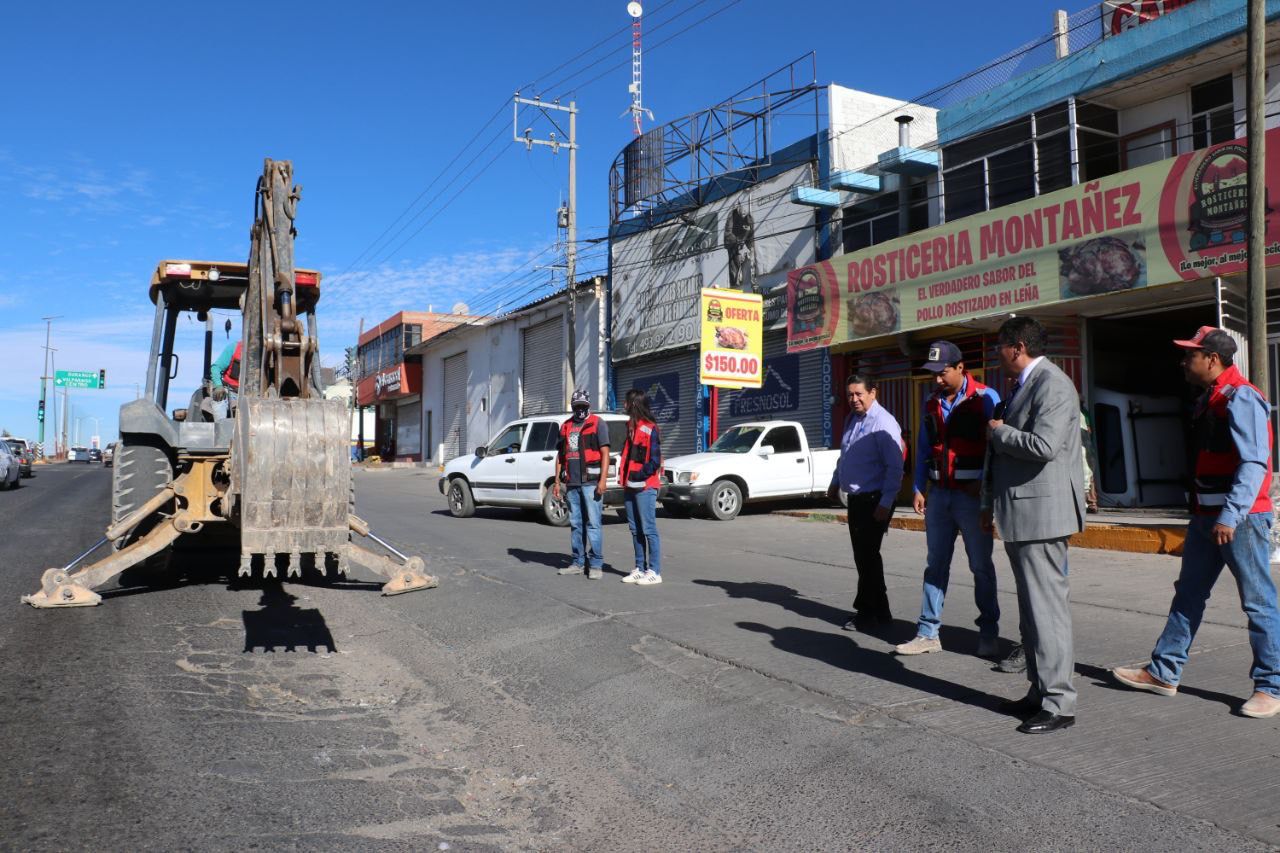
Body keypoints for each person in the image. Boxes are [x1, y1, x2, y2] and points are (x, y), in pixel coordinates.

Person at [1111, 327, 1280, 719]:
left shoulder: (1242, 397)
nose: (1184, 362)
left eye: (1191, 355)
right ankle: (1164, 671)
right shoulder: (1210, 398)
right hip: (1207, 518)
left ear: (1213, 359)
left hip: (1239, 521)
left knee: (1258, 603)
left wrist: (1229, 516)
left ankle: (1271, 687)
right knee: (1188, 595)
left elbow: (1254, 463)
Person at [983, 316, 1084, 735]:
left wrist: (1000, 432)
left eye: (1000, 347)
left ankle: (1059, 702)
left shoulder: (1052, 384)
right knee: (1031, 613)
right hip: (1023, 514)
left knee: (1047, 612)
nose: (997, 354)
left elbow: (1043, 445)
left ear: (1018, 347)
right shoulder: (1025, 384)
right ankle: (1039, 691)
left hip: (1043, 515)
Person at [896, 341, 1002, 658]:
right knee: (936, 566)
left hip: (972, 500)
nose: (938, 380)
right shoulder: (931, 402)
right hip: (939, 496)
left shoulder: (986, 398)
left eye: (943, 373)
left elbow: (997, 450)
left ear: (960, 368)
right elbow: (924, 448)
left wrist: (985, 489)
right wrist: (918, 486)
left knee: (981, 567)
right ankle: (928, 633)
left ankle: (989, 632)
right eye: (934, 374)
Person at [827, 373, 905, 633]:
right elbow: (845, 455)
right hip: (857, 500)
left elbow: (895, 467)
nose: (854, 399)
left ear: (873, 392)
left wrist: (886, 502)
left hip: (875, 499)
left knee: (866, 556)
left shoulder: (883, 423)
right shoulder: (852, 419)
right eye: (850, 394)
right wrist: (836, 481)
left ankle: (865, 612)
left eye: (859, 394)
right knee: (866, 556)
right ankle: (881, 611)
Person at [552, 390, 610, 580]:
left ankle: (596, 564)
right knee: (576, 524)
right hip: (572, 483)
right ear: (572, 406)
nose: (580, 409)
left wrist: (603, 480)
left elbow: (605, 453)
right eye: (577, 406)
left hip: (591, 482)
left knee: (593, 524)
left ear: (588, 405)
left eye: (583, 406)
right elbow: (560, 456)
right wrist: (557, 481)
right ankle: (577, 562)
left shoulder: (598, 423)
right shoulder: (566, 426)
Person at [620, 388, 663, 586]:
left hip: (645, 486)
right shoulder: (630, 426)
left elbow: (654, 461)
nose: (624, 405)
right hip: (630, 485)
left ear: (634, 404)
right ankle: (640, 568)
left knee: (648, 529)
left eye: (626, 401)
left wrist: (638, 475)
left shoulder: (650, 428)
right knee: (635, 529)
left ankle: (654, 571)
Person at [210, 339, 242, 419]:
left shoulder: (267, 353)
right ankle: (220, 424)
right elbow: (216, 368)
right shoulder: (234, 347)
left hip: (255, 395)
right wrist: (218, 386)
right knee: (219, 398)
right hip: (231, 392)